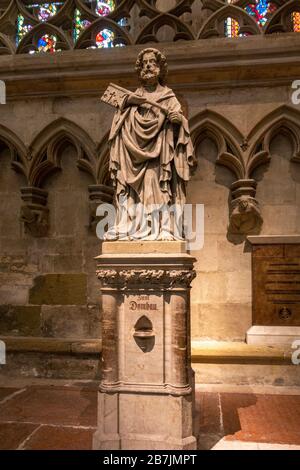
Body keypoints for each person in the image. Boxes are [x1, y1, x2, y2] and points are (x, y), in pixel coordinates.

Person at [106, 47, 195, 240]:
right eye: (144, 63)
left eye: (152, 63)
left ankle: (162, 227)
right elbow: (118, 127)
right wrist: (128, 106)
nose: (148, 66)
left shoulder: (168, 97)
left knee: (157, 185)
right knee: (129, 189)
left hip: (158, 153)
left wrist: (177, 120)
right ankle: (128, 226)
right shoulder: (132, 97)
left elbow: (180, 123)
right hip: (131, 153)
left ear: (160, 68)